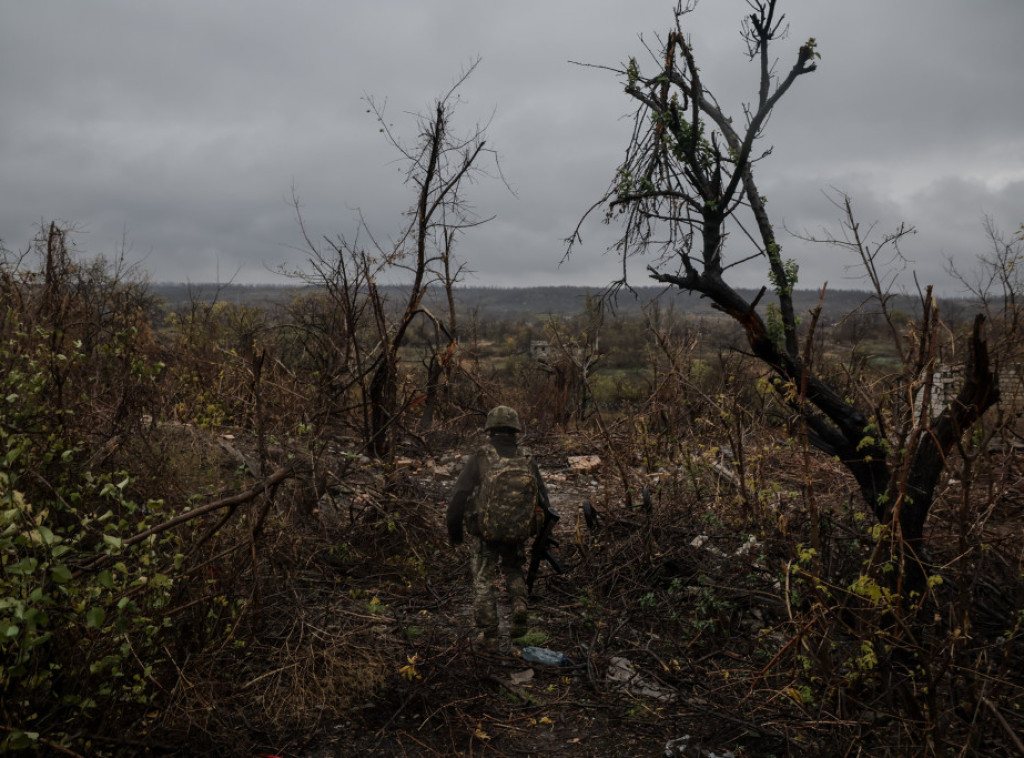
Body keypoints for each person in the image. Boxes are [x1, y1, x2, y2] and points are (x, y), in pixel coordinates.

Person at [446, 405, 553, 653]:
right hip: (517, 532)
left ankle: (491, 635)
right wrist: (540, 531)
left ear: (490, 430)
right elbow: (544, 501)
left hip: (485, 533)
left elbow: (460, 495)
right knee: (514, 570)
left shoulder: (482, 456)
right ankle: (519, 607)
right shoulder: (526, 457)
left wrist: (455, 532)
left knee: (483, 580)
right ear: (515, 429)